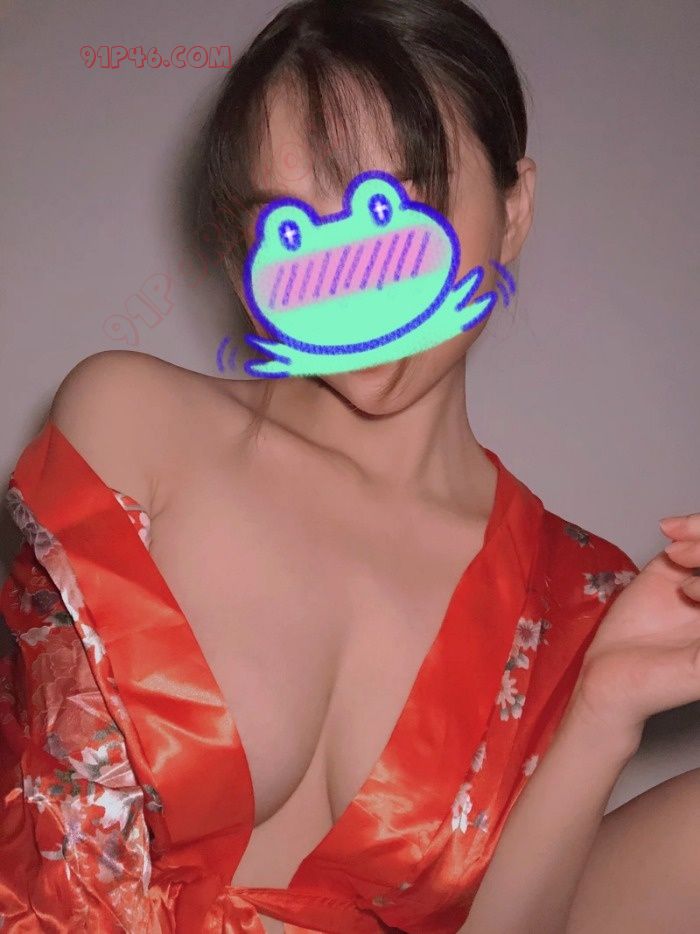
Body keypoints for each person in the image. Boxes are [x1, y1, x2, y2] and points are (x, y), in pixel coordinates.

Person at [1, 1, 699, 932]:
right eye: (288, 226)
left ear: (514, 209)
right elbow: (58, 865)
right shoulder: (138, 423)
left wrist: (606, 710)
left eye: (396, 205)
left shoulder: (574, 596)